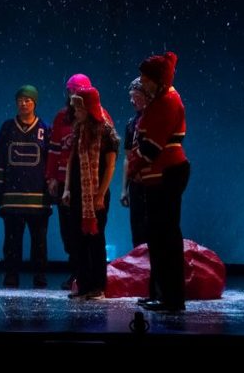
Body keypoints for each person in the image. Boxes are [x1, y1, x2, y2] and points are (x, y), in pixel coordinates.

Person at [128, 51, 190, 312]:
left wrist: (134, 164)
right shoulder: (161, 100)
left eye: (146, 78)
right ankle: (161, 293)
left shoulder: (168, 102)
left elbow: (151, 147)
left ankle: (172, 298)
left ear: (157, 79)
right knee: (157, 237)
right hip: (159, 175)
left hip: (167, 173)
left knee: (165, 238)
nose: (143, 82)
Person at [0, 85, 53, 288]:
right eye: (20, 100)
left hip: (38, 198)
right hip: (12, 197)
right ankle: (11, 276)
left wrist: (52, 190)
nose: (23, 104)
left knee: (39, 242)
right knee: (12, 241)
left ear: (35, 103)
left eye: (27, 100)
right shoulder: (8, 128)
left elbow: (51, 161)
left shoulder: (44, 129)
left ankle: (40, 277)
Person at [61, 87, 119, 299]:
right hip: (78, 192)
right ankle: (84, 284)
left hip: (96, 193)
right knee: (79, 239)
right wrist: (67, 189)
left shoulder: (106, 132)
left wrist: (101, 194)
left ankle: (98, 285)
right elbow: (71, 161)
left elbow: (110, 165)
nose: (75, 113)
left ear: (88, 109)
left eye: (79, 109)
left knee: (96, 239)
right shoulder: (79, 130)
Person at [120, 77, 150, 248]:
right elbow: (127, 157)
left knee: (152, 227)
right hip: (136, 184)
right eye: (131, 97)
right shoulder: (131, 124)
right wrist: (124, 189)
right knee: (137, 229)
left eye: (137, 97)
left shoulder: (155, 120)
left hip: (152, 182)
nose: (133, 101)